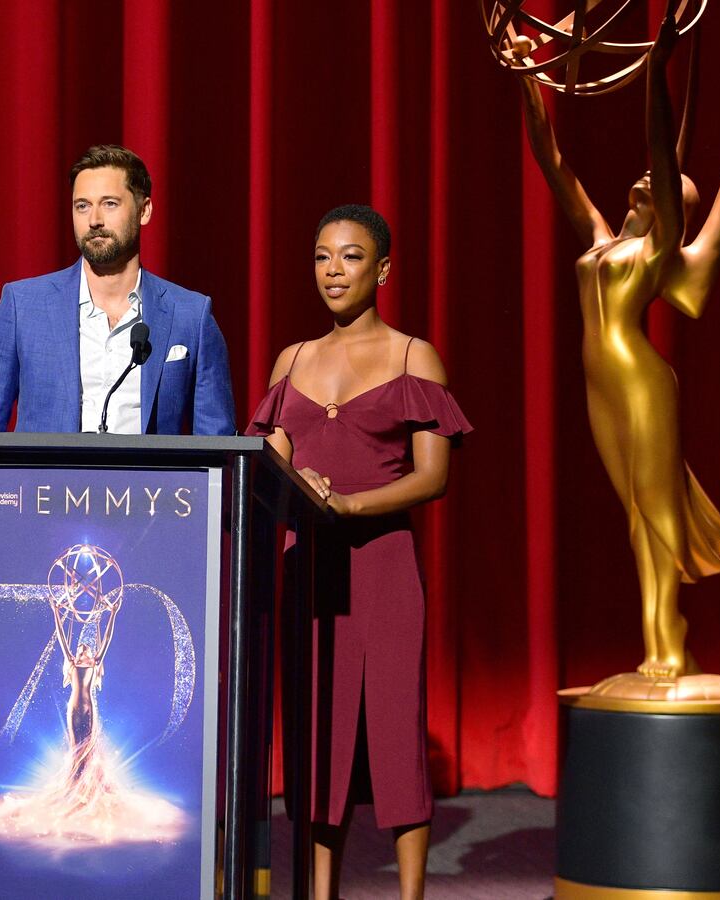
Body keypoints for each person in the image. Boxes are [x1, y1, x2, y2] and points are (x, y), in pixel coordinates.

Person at [514, 3, 720, 680]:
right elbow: (550, 158)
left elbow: (663, 159)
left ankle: (668, 641)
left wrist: (658, 79)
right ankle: (661, 641)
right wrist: (526, 75)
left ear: (675, 209)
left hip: (641, 381)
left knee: (656, 514)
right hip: (600, 382)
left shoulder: (661, 250)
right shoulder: (605, 243)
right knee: (633, 516)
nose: (646, 179)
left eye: (669, 191)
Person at [249, 205, 469, 900]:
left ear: (382, 269)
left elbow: (432, 477)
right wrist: (291, 484)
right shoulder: (293, 361)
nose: (333, 271)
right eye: (321, 257)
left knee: (397, 734)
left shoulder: (412, 355)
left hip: (383, 567)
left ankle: (411, 897)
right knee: (319, 736)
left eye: (348, 257)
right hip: (308, 571)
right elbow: (269, 469)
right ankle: (321, 894)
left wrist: (347, 503)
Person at [0, 144, 235, 435]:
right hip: (46, 480)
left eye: (110, 204)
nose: (94, 221)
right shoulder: (21, 307)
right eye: (83, 205)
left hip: (149, 480)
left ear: (144, 211)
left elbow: (217, 444)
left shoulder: (191, 315)